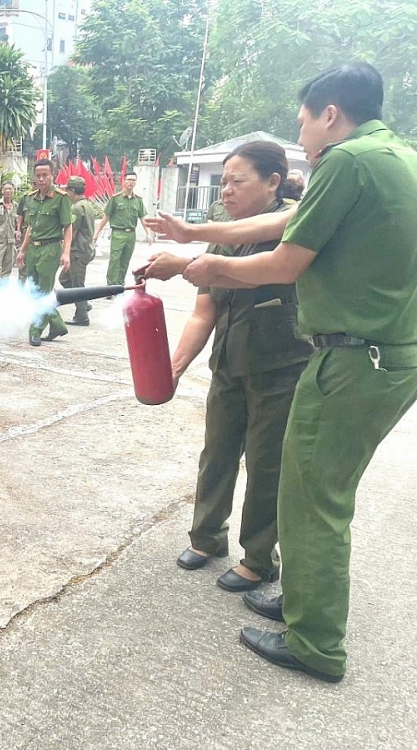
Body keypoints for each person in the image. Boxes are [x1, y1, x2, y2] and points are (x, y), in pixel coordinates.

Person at [168, 63, 417, 683]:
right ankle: (304, 598)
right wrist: (198, 234)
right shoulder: (395, 156)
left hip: (355, 357)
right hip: (386, 353)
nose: (300, 133)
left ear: (329, 112)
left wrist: (205, 268)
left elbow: (284, 260)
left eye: (303, 119)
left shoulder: (346, 160)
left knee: (312, 501)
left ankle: (316, 643)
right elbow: (283, 223)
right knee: (315, 490)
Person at [167, 141, 314, 598]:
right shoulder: (225, 234)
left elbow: (266, 273)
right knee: (218, 452)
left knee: (267, 464)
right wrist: (173, 368)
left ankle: (257, 559)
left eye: (237, 181)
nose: (226, 191)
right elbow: (203, 311)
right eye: (224, 181)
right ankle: (207, 537)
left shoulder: (297, 225)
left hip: (280, 366)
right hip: (230, 364)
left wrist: (190, 261)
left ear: (273, 182)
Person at [17, 159, 72, 346]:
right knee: (33, 291)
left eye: (45, 175)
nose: (41, 179)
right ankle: (57, 325)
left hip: (50, 249)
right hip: (33, 248)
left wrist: (66, 253)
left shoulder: (60, 198)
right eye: (38, 175)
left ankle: (35, 331)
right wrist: (22, 250)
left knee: (43, 292)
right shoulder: (31, 198)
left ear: (52, 175)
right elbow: (31, 228)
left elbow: (67, 227)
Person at [92, 171, 150, 285]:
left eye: (133, 180)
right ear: (123, 181)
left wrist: (148, 233)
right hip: (118, 233)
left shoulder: (138, 200)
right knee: (115, 260)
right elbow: (106, 217)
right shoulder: (116, 199)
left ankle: (119, 285)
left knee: (125, 261)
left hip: (131, 235)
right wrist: (96, 233)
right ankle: (110, 286)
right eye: (129, 179)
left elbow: (143, 217)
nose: (131, 182)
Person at [58, 175, 97, 326]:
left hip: (77, 252)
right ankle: (83, 304)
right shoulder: (87, 205)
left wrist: (63, 251)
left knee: (78, 284)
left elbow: (72, 232)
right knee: (65, 279)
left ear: (72, 191)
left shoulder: (76, 208)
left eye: (67, 190)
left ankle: (82, 316)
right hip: (85, 249)